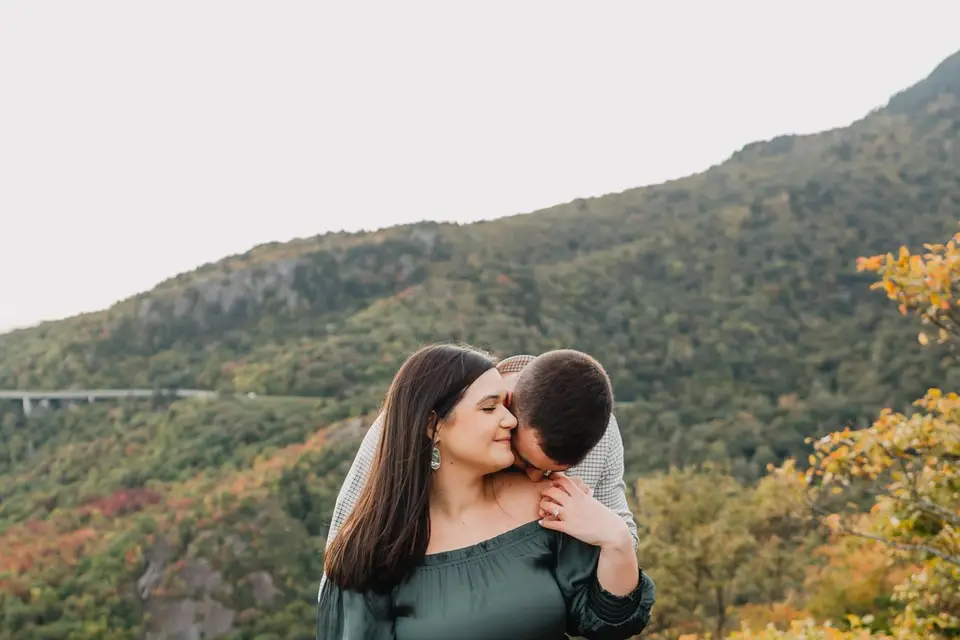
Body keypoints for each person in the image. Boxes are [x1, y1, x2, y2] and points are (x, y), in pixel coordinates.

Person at [317, 343, 655, 639]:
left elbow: (606, 619)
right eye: (490, 407)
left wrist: (617, 539)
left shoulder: (550, 497)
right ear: (432, 425)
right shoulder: (376, 537)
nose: (507, 420)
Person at [322, 349, 638, 560]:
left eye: (551, 472)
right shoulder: (419, 420)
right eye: (525, 460)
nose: (534, 479)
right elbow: (344, 546)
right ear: (507, 408)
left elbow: (625, 542)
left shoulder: (601, 430)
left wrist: (595, 530)